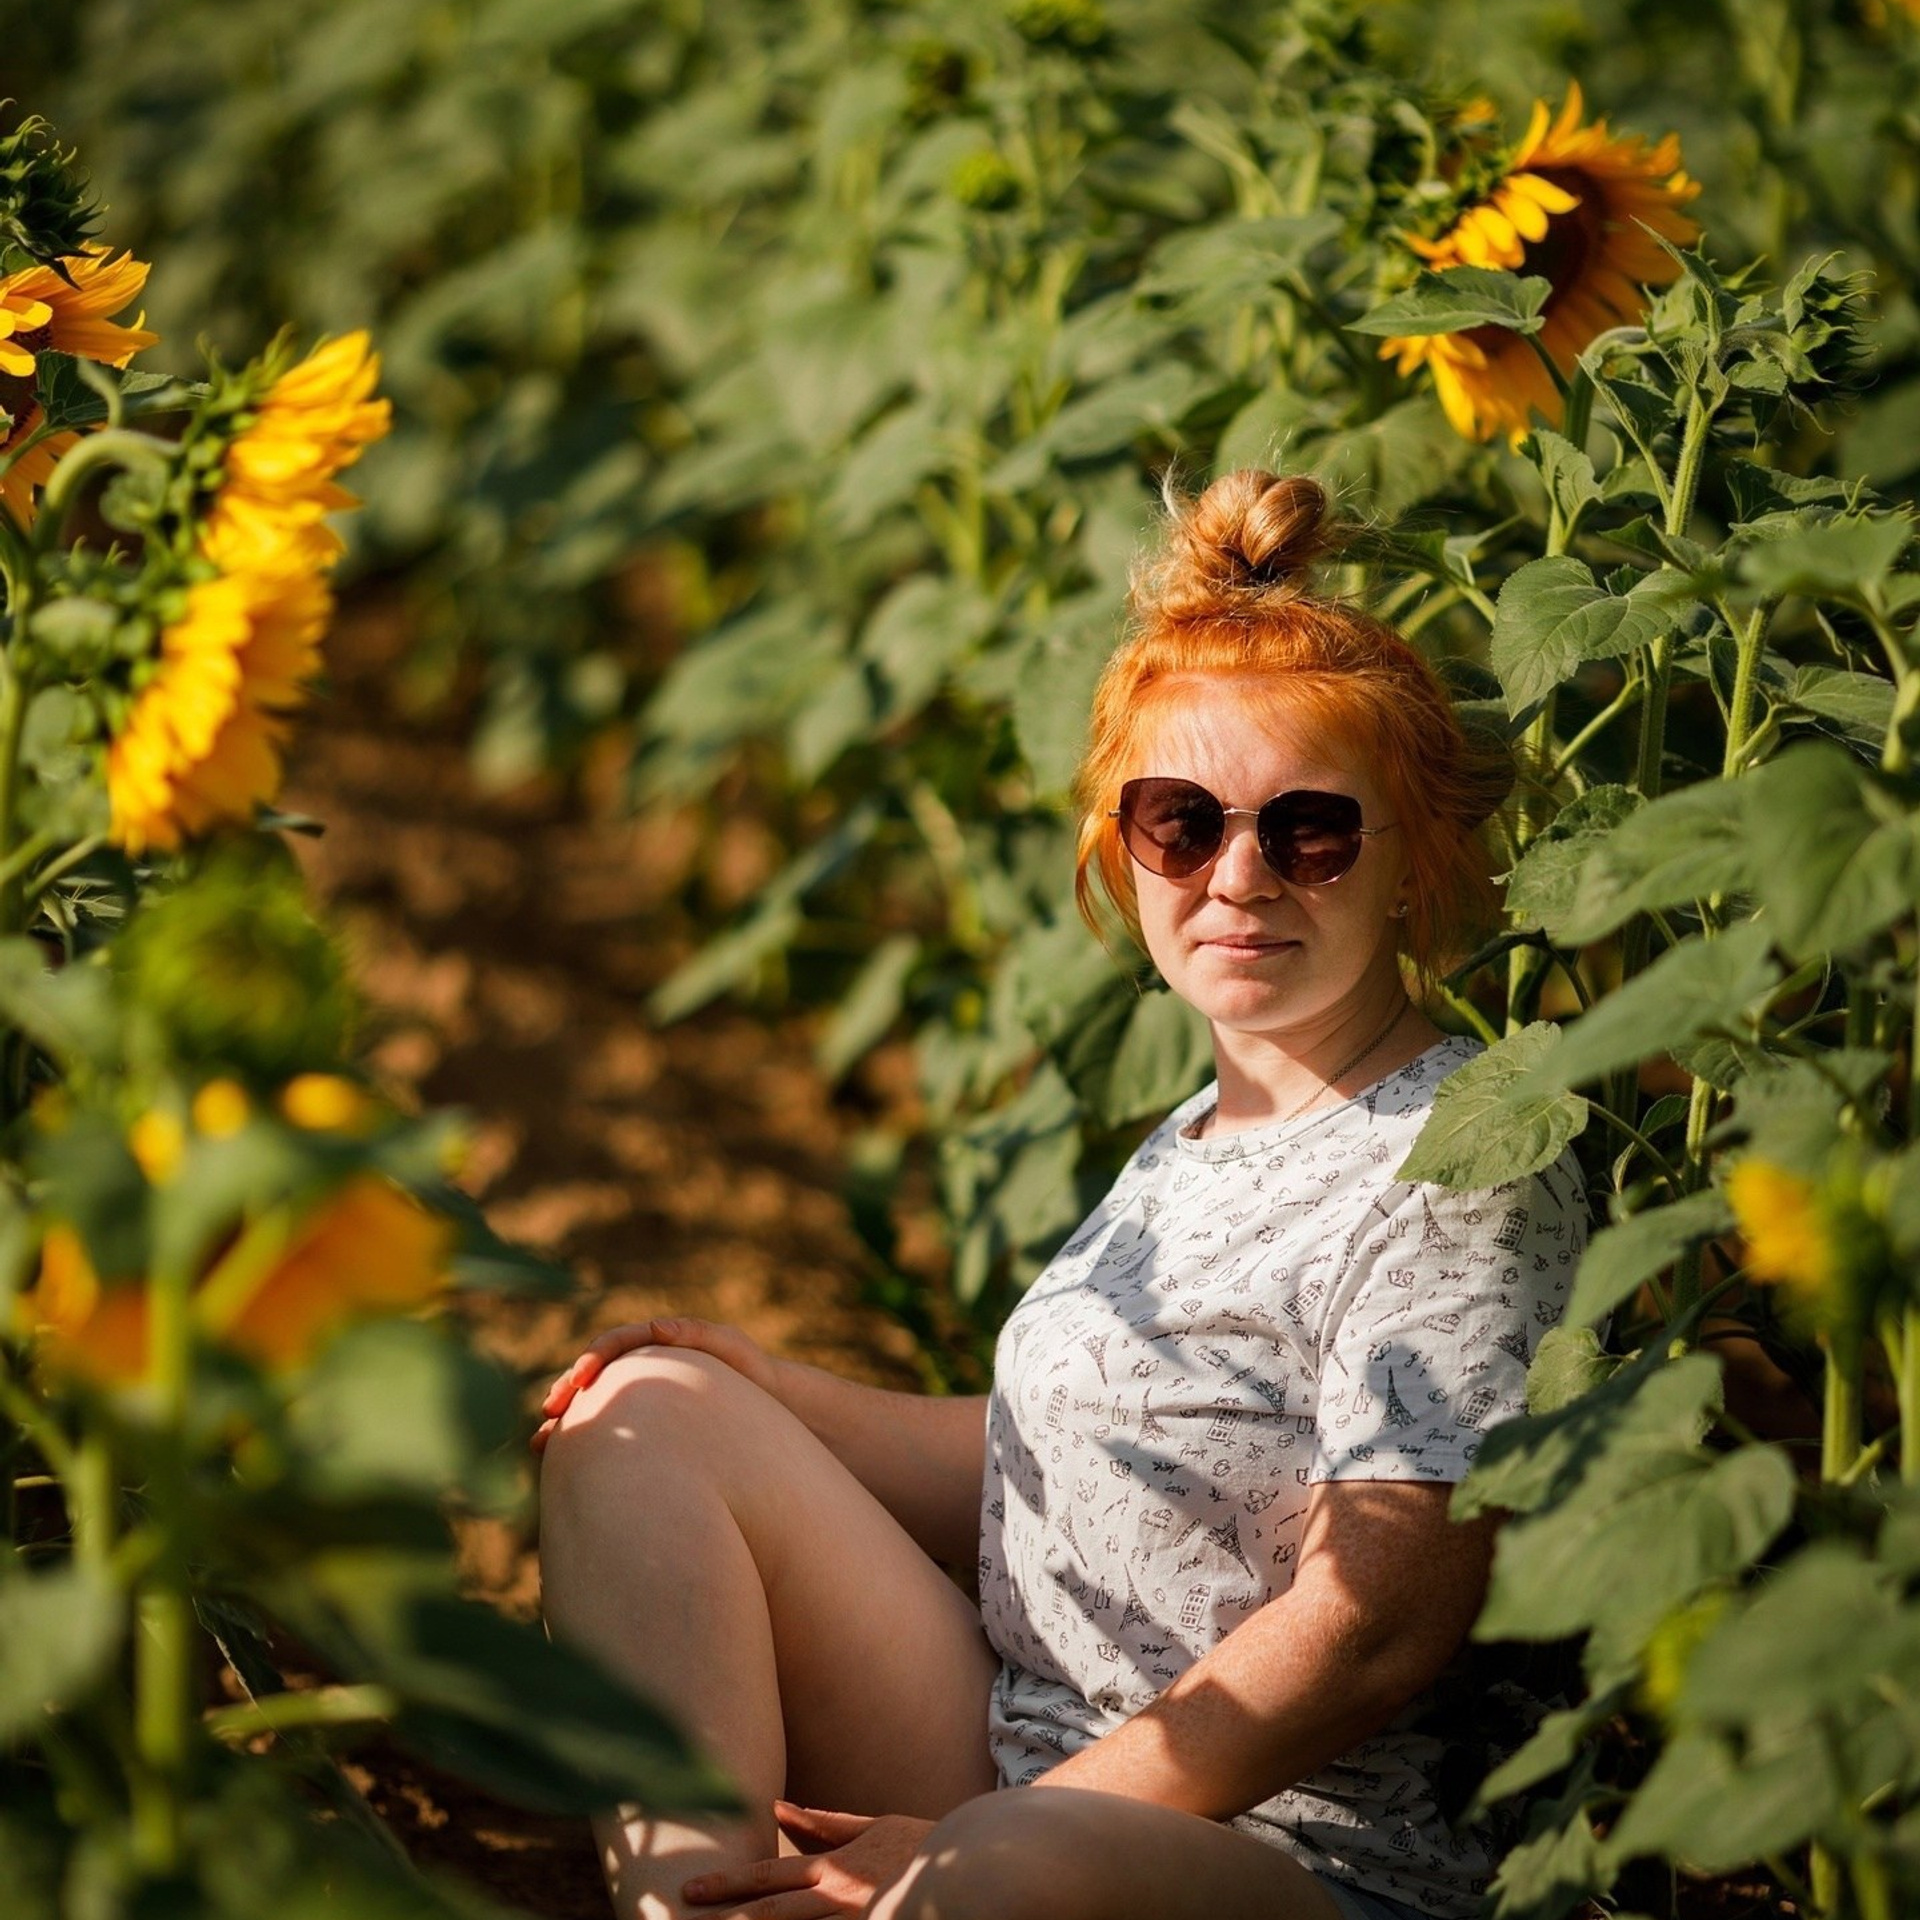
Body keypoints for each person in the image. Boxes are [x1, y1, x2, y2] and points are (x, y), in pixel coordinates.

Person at [534, 470, 1588, 1920]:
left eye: (1312, 829)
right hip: (1029, 1777)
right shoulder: (1208, 1126)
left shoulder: (1458, 1159)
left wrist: (982, 1843)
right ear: (1122, 845)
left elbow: (1374, 1629)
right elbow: (1089, 1460)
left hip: (1292, 1860)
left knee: (1006, 1867)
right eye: (1181, 822)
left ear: (1414, 861)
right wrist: (760, 1383)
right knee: (640, 1417)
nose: (1239, 876)